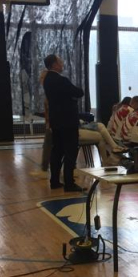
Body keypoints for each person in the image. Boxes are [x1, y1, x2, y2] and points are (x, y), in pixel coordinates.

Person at [42, 54, 84, 192]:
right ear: (54, 64)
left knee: (57, 151)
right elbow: (78, 92)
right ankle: (69, 182)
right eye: (60, 62)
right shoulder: (62, 80)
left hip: (56, 121)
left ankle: (54, 180)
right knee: (70, 151)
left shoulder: (47, 80)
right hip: (68, 121)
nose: (62, 64)